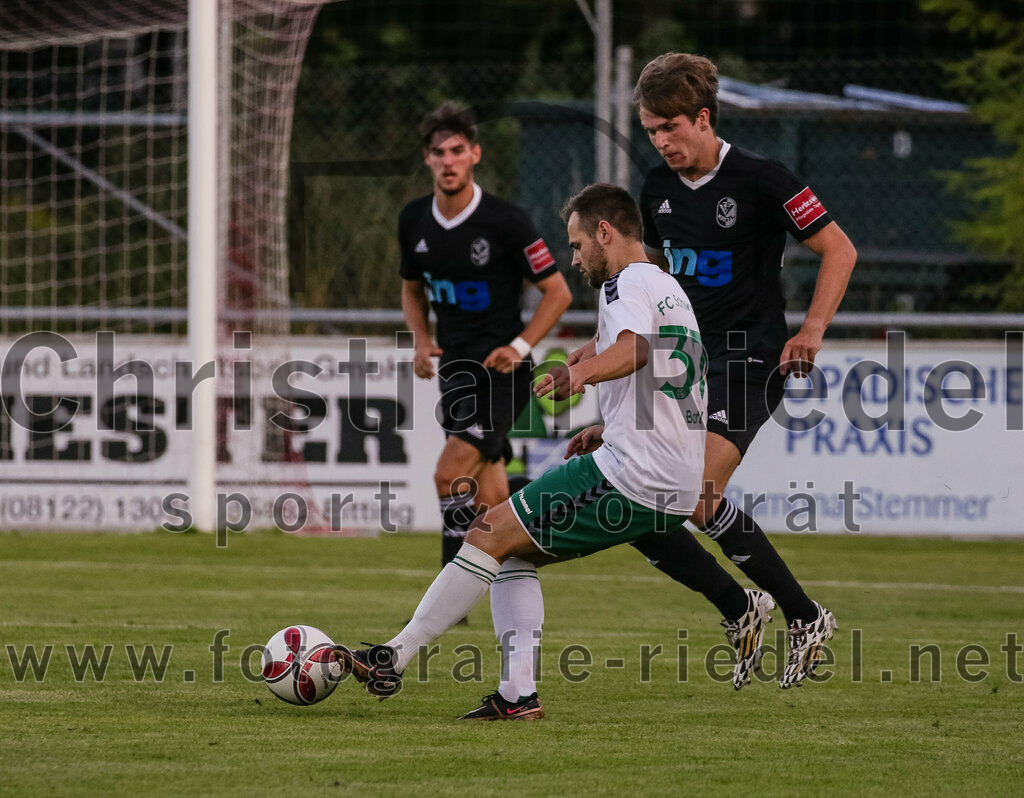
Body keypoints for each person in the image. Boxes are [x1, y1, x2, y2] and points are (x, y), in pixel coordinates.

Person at [336, 184, 768, 718]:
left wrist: (577, 373)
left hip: (632, 474)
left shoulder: (622, 286)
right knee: (513, 548)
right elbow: (654, 362)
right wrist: (605, 423)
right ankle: (517, 697)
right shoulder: (665, 285)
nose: (574, 257)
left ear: (604, 233)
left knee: (485, 533)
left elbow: (632, 350)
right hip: (672, 472)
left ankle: (391, 659)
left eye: (577, 244)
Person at [620, 52, 858, 688]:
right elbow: (654, 283)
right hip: (684, 365)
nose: (661, 142)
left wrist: (810, 330)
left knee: (696, 492)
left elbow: (840, 248)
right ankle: (743, 607)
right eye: (651, 131)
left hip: (750, 357)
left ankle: (803, 618)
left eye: (670, 127)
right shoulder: (657, 190)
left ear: (703, 118)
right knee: (636, 505)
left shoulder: (761, 177)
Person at [399, 101, 572, 572]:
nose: (448, 160)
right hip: (455, 372)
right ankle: (530, 561)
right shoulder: (414, 220)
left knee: (449, 473)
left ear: (475, 154)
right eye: (439, 152)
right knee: (489, 500)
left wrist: (519, 346)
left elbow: (557, 292)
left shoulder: (506, 221)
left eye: (457, 150)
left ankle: (449, 590)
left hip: (502, 374)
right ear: (427, 158)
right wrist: (419, 337)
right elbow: (411, 289)